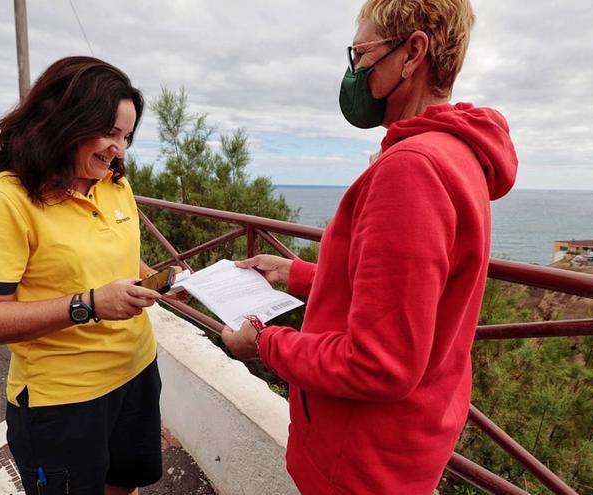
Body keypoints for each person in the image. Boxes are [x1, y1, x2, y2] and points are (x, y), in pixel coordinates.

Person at [222, 0, 518, 493]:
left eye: (361, 54)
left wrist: (264, 344)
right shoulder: (456, 153)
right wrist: (298, 274)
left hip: (359, 459)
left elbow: (379, 364)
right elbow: (409, 301)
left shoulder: (412, 168)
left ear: (413, 52)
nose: (354, 70)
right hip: (404, 442)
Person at [0, 56, 165, 495]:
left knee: (126, 483)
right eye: (109, 134)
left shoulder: (114, 183)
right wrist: (87, 304)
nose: (119, 151)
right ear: (62, 121)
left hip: (137, 370)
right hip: (65, 398)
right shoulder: (4, 201)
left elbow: (121, 261)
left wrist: (162, 278)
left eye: (126, 136)